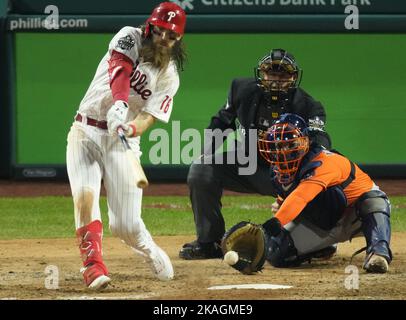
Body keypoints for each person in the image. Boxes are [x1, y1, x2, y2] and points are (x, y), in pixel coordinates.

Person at [66, 2, 187, 290]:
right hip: (85, 130)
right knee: (85, 198)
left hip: (123, 142)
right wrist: (119, 104)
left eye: (171, 36)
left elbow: (148, 117)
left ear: (178, 39)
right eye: (160, 32)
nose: (164, 40)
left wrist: (130, 126)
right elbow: (119, 69)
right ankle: (93, 267)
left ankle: (147, 248)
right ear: (150, 27)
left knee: (126, 226)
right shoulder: (129, 36)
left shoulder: (169, 76)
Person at [179, 49, 332, 260]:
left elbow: (320, 141)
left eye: (283, 75)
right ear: (262, 74)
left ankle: (314, 240)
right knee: (201, 170)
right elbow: (221, 123)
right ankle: (209, 242)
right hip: (246, 163)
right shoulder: (241, 90)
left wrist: (310, 175)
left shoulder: (308, 106)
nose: (276, 80)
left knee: (316, 182)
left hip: (286, 173)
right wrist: (205, 152)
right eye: (271, 74)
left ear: (294, 78)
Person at [258, 113, 392, 273]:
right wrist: (281, 206)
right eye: (278, 146)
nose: (283, 151)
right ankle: (324, 247)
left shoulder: (325, 162)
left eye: (289, 144)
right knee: (276, 251)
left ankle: (378, 253)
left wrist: (269, 227)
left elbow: (301, 196)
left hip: (355, 216)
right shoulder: (277, 172)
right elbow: (290, 199)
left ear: (305, 142)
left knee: (373, 201)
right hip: (322, 224)